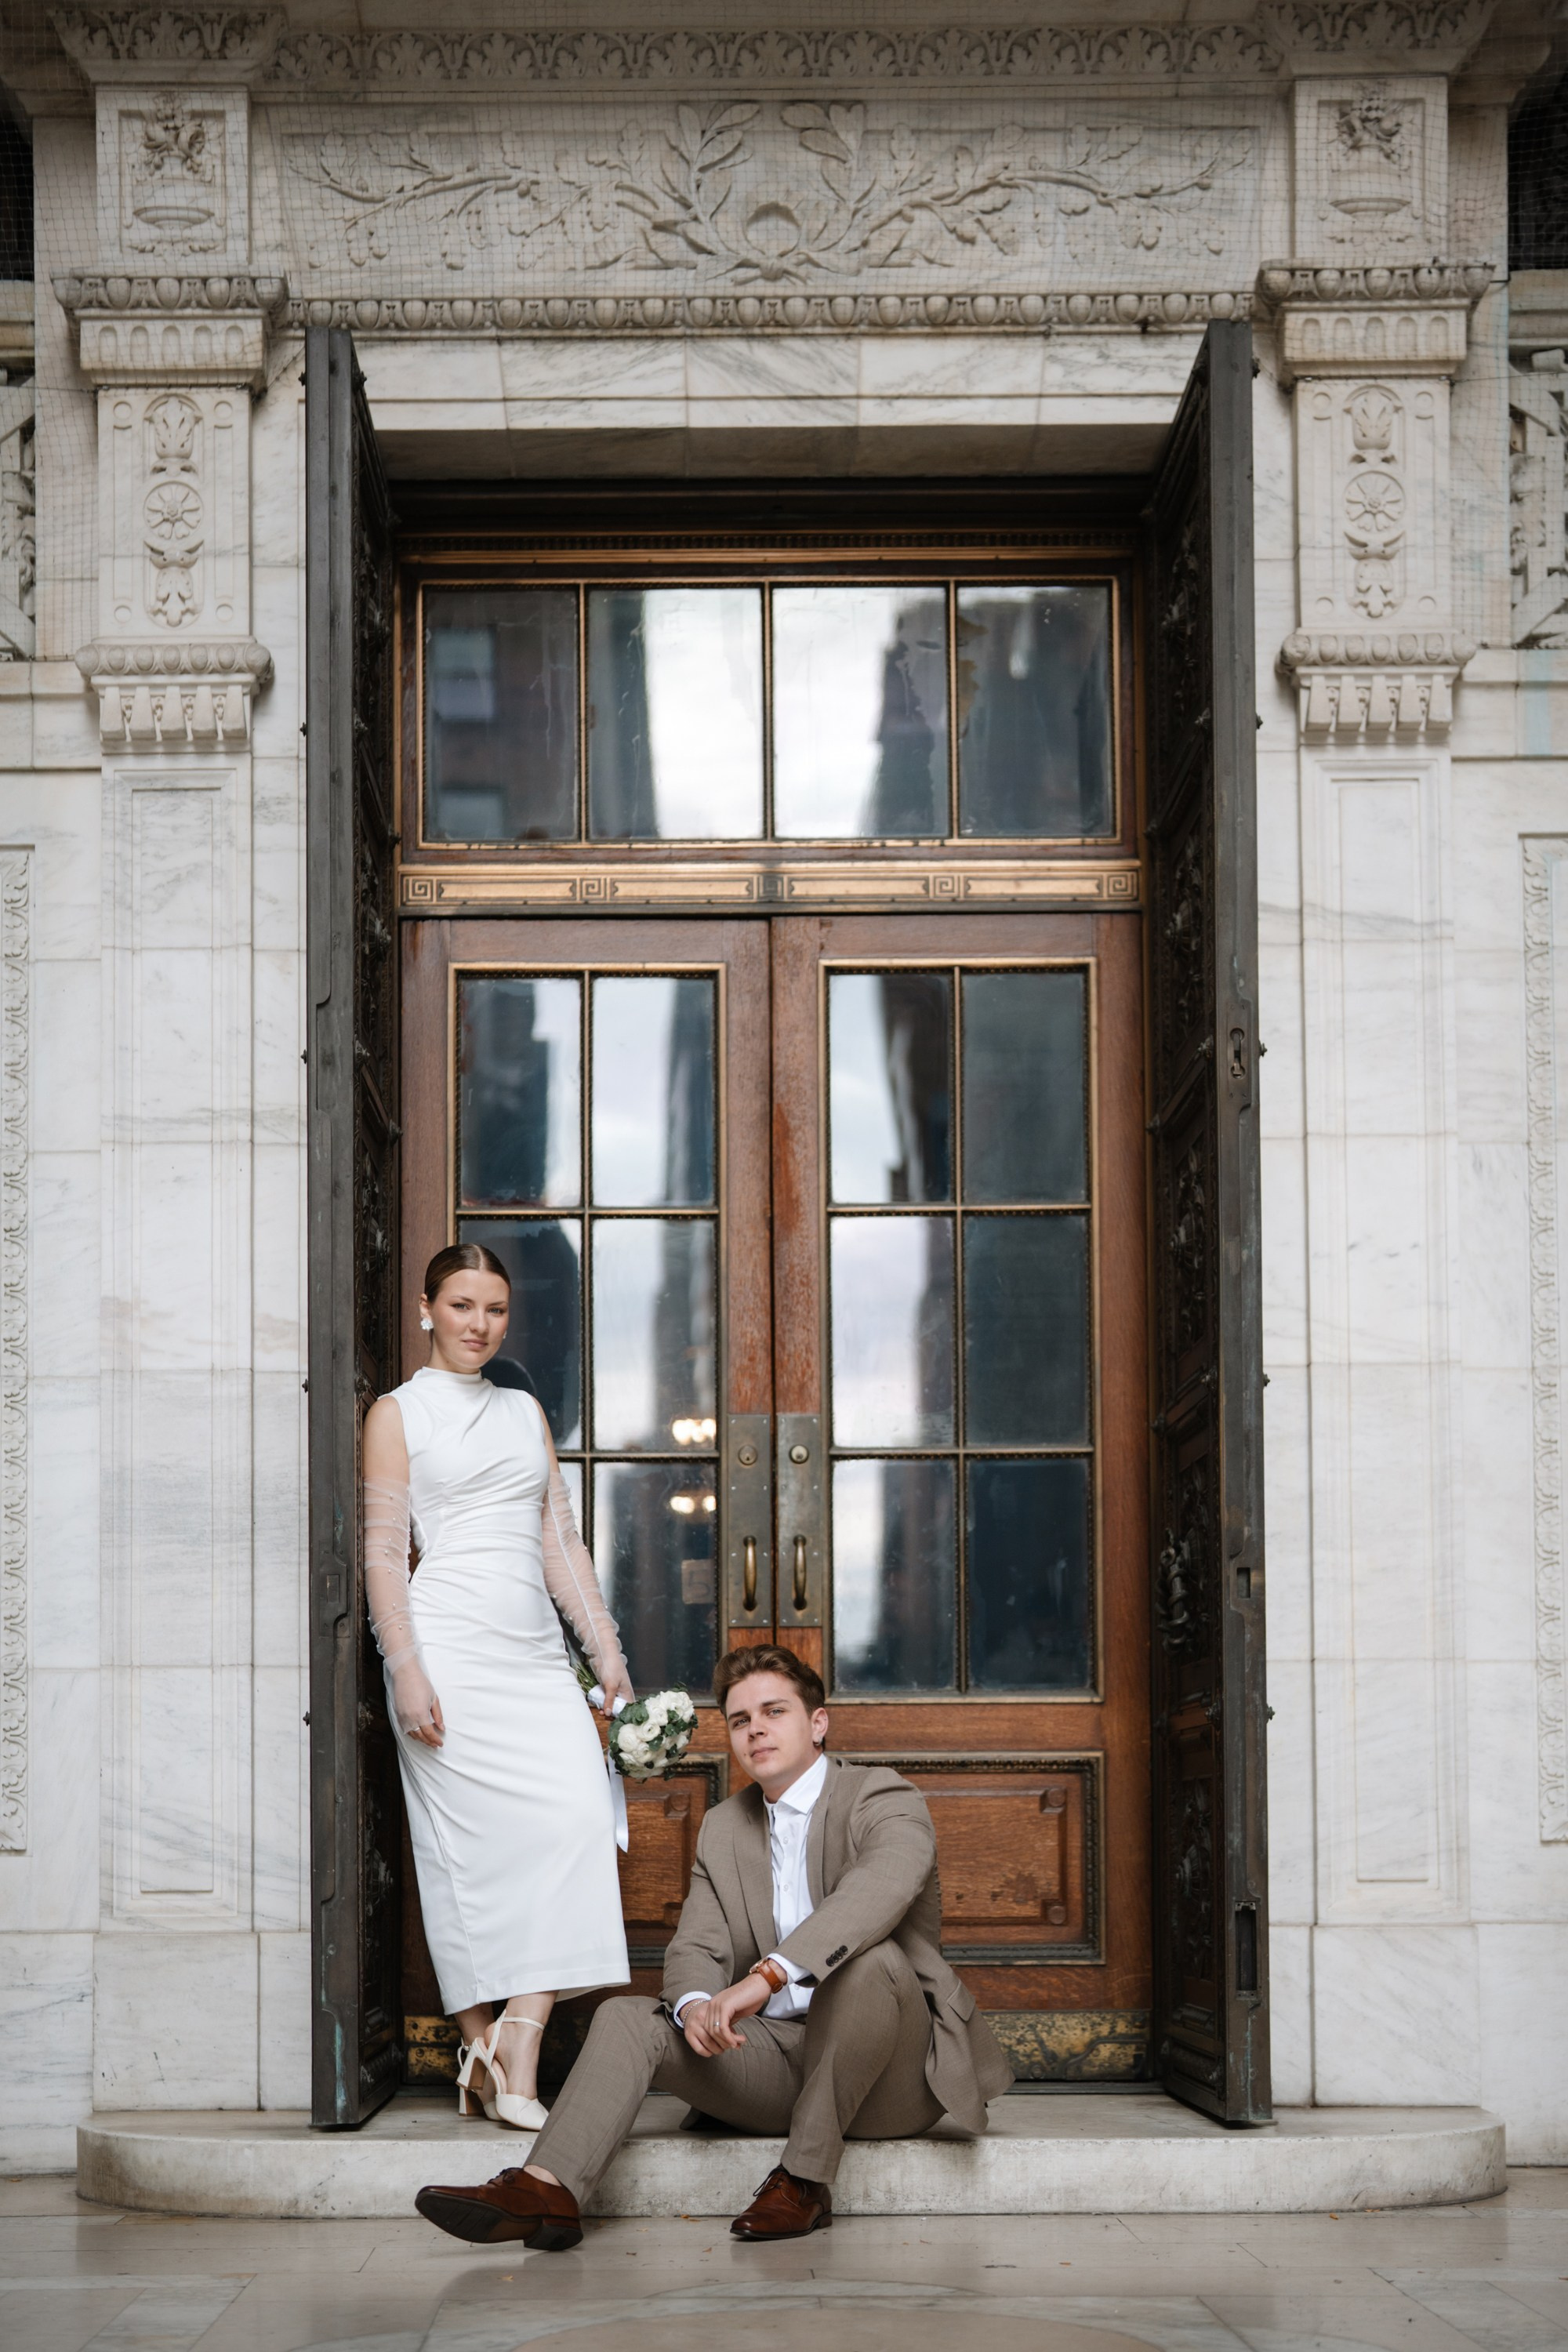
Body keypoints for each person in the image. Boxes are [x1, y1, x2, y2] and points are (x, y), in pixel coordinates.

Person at [413, 1643, 1012, 2249]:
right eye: (740, 1721)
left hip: (889, 2078)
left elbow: (878, 1888)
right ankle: (546, 2189)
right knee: (627, 2016)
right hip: (776, 2066)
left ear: (818, 1723)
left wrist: (768, 1977)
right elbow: (695, 1945)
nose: (756, 1731)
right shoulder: (726, 1826)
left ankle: (803, 2182)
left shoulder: (884, 1798)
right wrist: (698, 2004)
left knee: (869, 1963)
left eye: (774, 1712)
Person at [362, 1242, 633, 2132]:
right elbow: (382, 1556)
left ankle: (517, 2030)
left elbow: (560, 1544)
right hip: (446, 1654)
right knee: (464, 1860)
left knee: (578, 1820)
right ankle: (490, 2048)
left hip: (529, 1660)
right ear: (426, 1309)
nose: (479, 1325)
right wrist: (406, 1668)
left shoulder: (523, 1411)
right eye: (463, 1305)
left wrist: (606, 1654)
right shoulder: (396, 1414)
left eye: (495, 1311)